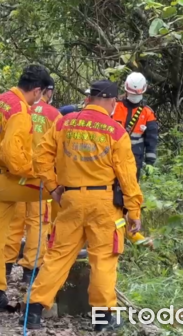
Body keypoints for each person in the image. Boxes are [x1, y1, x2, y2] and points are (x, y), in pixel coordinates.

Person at [21, 79, 143, 331]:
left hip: (71, 199)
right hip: (104, 203)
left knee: (57, 256)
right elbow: (128, 176)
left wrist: (55, 188)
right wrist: (134, 210)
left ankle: (32, 311)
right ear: (111, 102)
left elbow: (41, 157)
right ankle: (102, 321)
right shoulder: (117, 132)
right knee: (103, 261)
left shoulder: (64, 122)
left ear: (88, 98)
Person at [0, 64, 53, 313]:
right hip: (4, 180)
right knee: (61, 192)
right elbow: (13, 157)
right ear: (38, 91)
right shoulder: (20, 110)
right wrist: (38, 173)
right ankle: (56, 256)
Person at [4, 77, 61, 283]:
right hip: (40, 179)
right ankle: (31, 270)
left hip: (17, 176)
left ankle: (5, 267)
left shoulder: (19, 108)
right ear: (47, 91)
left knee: (14, 222)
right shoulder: (54, 115)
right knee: (38, 224)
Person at [112, 72, 158, 181]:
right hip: (112, 155)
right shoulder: (115, 106)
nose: (135, 96)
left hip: (135, 157)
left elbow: (151, 138)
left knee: (131, 187)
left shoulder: (147, 113)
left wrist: (150, 162)